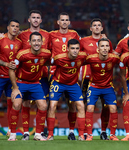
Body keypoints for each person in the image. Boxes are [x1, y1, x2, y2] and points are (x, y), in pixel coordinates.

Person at [8, 32, 51, 141]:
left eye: (38, 41)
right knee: (17, 104)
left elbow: (49, 63)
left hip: (35, 83)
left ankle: (38, 134)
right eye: (34, 40)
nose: (36, 43)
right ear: (29, 42)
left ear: (42, 42)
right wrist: (15, 88)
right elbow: (11, 69)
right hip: (21, 83)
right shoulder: (21, 54)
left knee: (43, 106)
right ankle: (12, 134)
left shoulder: (46, 54)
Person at [17, 10, 50, 140]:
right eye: (33, 17)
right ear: (29, 20)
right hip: (25, 75)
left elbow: (54, 49)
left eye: (38, 18)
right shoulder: (22, 34)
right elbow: (11, 39)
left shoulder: (48, 35)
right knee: (25, 103)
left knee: (42, 104)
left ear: (41, 20)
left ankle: (40, 132)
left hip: (42, 75)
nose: (36, 20)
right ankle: (26, 132)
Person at [80, 18, 113, 140]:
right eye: (95, 25)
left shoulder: (107, 42)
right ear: (91, 28)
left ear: (102, 28)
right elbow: (78, 57)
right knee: (83, 105)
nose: (97, 27)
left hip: (103, 78)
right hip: (86, 77)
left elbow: (112, 56)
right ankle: (84, 131)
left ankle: (103, 131)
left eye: (99, 25)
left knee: (106, 105)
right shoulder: (83, 41)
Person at [46, 39, 86, 141]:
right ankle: (50, 134)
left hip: (73, 84)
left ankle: (80, 134)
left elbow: (95, 59)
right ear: (67, 49)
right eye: (72, 48)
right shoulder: (59, 58)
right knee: (52, 105)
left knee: (80, 106)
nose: (75, 51)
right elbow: (45, 62)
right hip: (58, 83)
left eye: (77, 48)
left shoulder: (83, 56)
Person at [49, 12, 81, 140]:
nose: (64, 22)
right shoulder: (51, 35)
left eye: (66, 20)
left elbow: (83, 47)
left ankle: (71, 131)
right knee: (51, 104)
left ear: (69, 22)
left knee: (72, 104)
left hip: (71, 73)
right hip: (54, 72)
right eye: (62, 20)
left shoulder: (74, 34)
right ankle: (49, 132)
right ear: (58, 22)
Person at [0, 19, 22, 140]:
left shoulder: (20, 42)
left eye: (17, 26)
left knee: (12, 103)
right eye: (12, 26)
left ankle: (10, 129)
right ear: (7, 27)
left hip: (12, 78)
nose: (15, 28)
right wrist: (6, 64)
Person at [84, 38, 119, 141]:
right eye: (102, 46)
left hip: (108, 87)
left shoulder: (114, 58)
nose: (104, 48)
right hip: (94, 86)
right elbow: (77, 62)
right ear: (98, 48)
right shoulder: (91, 58)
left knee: (113, 109)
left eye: (106, 46)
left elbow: (126, 61)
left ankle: (112, 135)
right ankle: (89, 134)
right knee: (89, 108)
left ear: (109, 48)